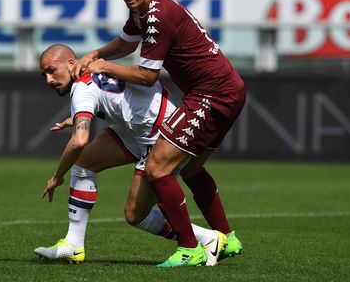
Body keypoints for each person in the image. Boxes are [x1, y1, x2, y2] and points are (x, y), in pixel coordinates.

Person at [75, 0, 245, 267]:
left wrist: (104, 68)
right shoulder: (143, 9)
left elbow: (147, 75)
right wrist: (98, 53)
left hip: (212, 94)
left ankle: (190, 248)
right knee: (190, 168)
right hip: (226, 90)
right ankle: (226, 237)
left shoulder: (156, 15)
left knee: (158, 167)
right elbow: (126, 44)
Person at [35, 44, 227, 266]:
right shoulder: (93, 71)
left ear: (71, 63)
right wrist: (76, 118)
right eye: (44, 75)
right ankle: (73, 245)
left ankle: (208, 239)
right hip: (144, 127)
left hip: (162, 135)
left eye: (51, 70)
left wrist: (57, 177)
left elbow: (79, 141)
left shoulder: (81, 86)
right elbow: (116, 97)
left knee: (135, 215)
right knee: (84, 163)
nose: (48, 80)